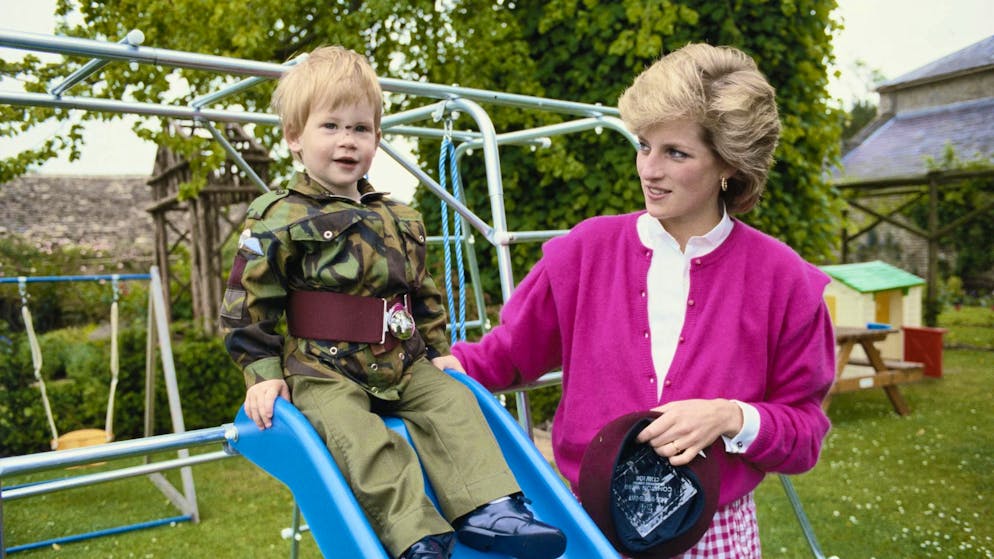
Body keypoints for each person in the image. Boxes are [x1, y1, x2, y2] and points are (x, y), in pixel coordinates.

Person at [436, 43, 836, 557]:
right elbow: (506, 355)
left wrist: (728, 416)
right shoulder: (583, 251)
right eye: (644, 145)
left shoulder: (785, 281)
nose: (649, 169)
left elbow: (804, 434)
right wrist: (428, 369)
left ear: (728, 166)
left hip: (711, 537)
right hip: (587, 527)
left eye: (676, 153)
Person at [219, 46, 566, 559]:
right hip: (323, 369)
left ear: (377, 138)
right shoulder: (279, 216)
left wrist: (436, 347)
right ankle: (415, 534)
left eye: (360, 129)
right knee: (358, 436)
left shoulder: (400, 216)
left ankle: (489, 509)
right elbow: (248, 302)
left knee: (454, 401)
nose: (347, 141)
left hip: (401, 361)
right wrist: (264, 372)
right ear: (294, 137)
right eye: (330, 126)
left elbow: (422, 293)